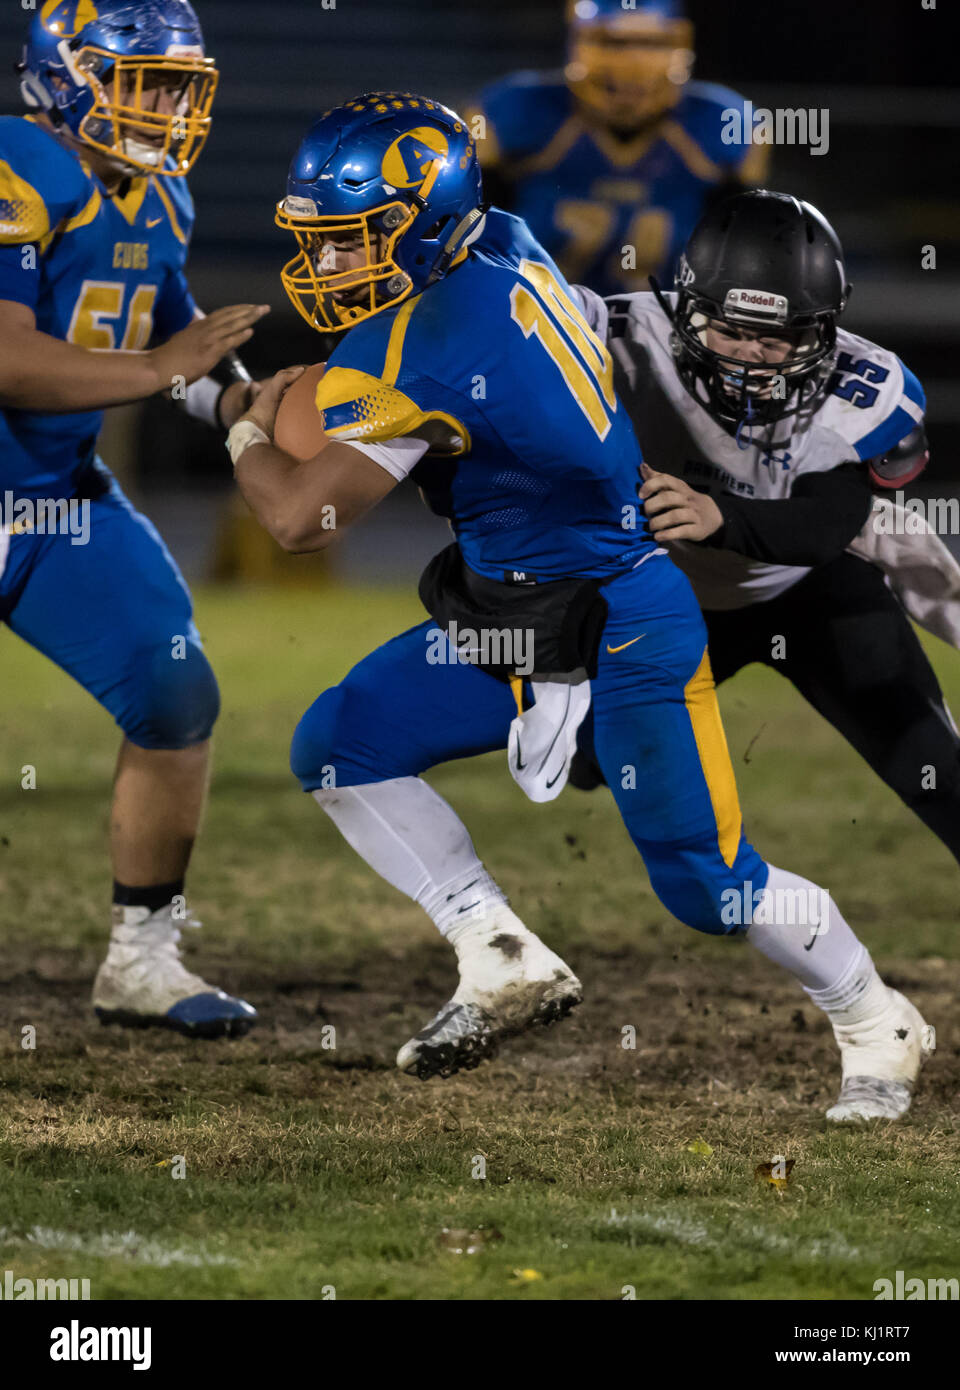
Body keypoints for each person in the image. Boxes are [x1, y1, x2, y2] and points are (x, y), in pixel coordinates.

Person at [228, 94, 932, 1121]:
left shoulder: (434, 341)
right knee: (340, 743)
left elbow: (298, 519)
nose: (329, 266)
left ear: (425, 222)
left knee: (707, 883)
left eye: (354, 242)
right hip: (511, 607)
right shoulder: (498, 240)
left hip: (621, 620)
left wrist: (244, 428)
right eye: (320, 242)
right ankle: (498, 949)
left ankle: (876, 1017)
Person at [0, 0, 263, 1036]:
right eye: (140, 80)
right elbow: (9, 360)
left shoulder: (161, 199)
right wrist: (163, 369)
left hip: (56, 498)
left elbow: (168, 335)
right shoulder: (20, 163)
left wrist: (237, 399)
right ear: (65, 76)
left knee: (171, 689)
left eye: (175, 85)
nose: (162, 106)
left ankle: (141, 959)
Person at [569, 190, 960, 872]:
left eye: (776, 339)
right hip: (670, 603)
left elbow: (828, 521)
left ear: (822, 334)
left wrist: (719, 515)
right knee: (584, 759)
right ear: (687, 309)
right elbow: (517, 326)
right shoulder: (617, 339)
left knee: (938, 773)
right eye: (731, 331)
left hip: (815, 595)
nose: (750, 356)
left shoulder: (862, 387)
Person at [470, 0, 768, 296]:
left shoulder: (722, 121)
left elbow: (744, 257)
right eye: (614, 42)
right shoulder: (517, 109)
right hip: (534, 322)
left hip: (668, 328)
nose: (633, 60)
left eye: (651, 43)